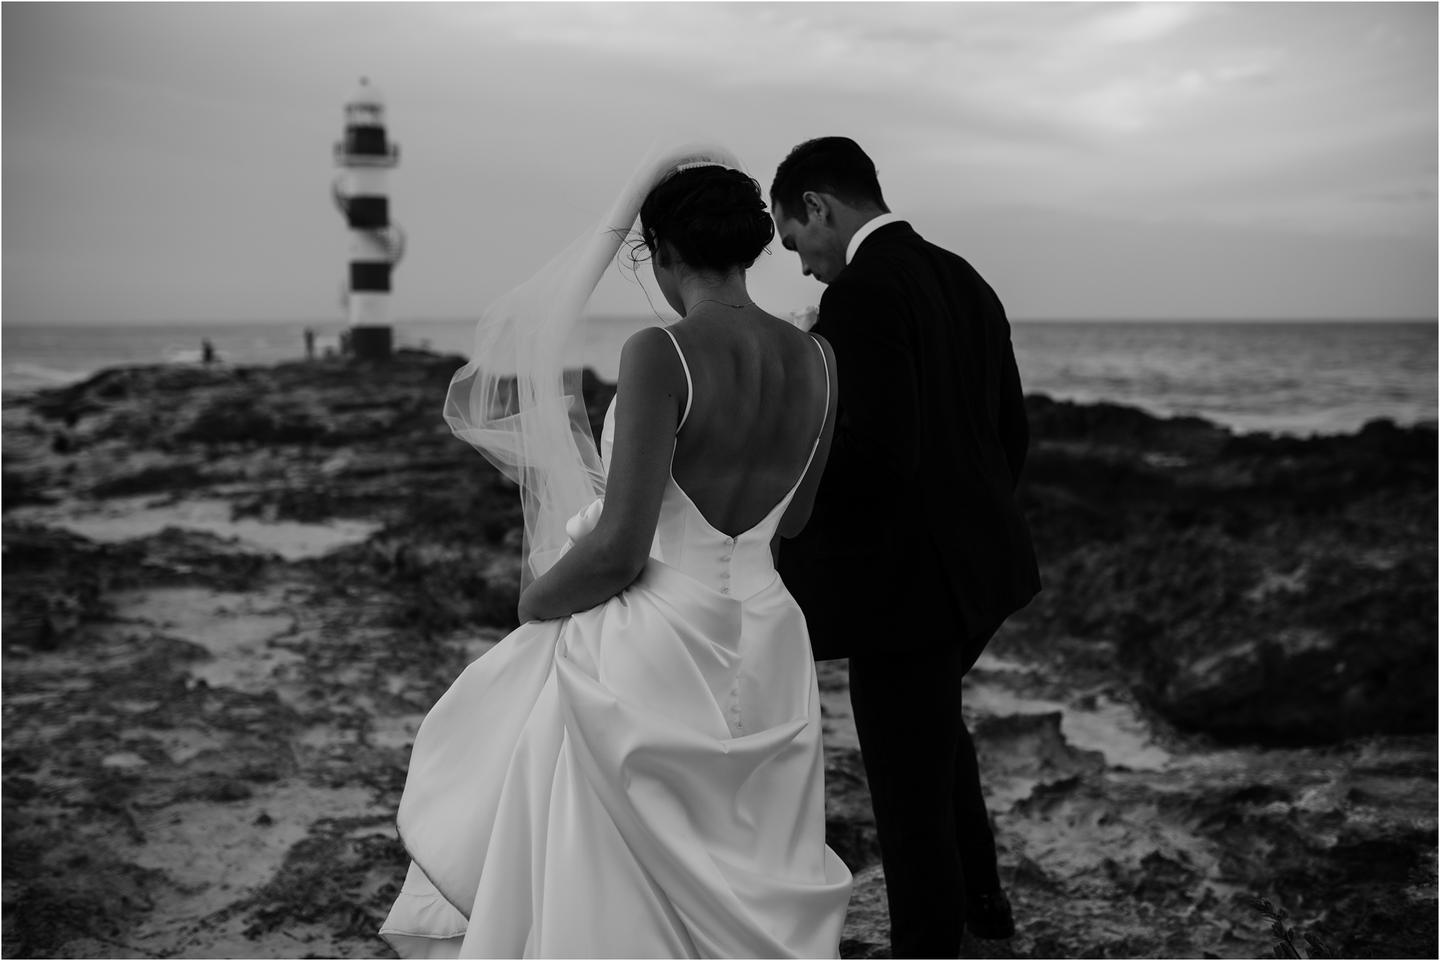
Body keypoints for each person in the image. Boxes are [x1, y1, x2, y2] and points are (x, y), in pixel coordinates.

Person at [378, 145, 851, 958]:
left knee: (625, 884)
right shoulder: (821, 358)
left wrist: (535, 603)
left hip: (662, 645)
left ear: (662, 252)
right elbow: (797, 519)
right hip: (772, 640)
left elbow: (621, 547)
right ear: (749, 246)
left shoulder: (658, 353)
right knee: (752, 862)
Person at [770, 137, 1041, 957]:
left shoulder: (863, 295)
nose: (805, 267)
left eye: (794, 241)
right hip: (980, 575)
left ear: (818, 207)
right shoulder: (966, 278)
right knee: (936, 739)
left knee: (904, 790)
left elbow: (875, 456)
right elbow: (1011, 435)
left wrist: (788, 525)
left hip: (906, 593)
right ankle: (985, 917)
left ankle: (928, 943)